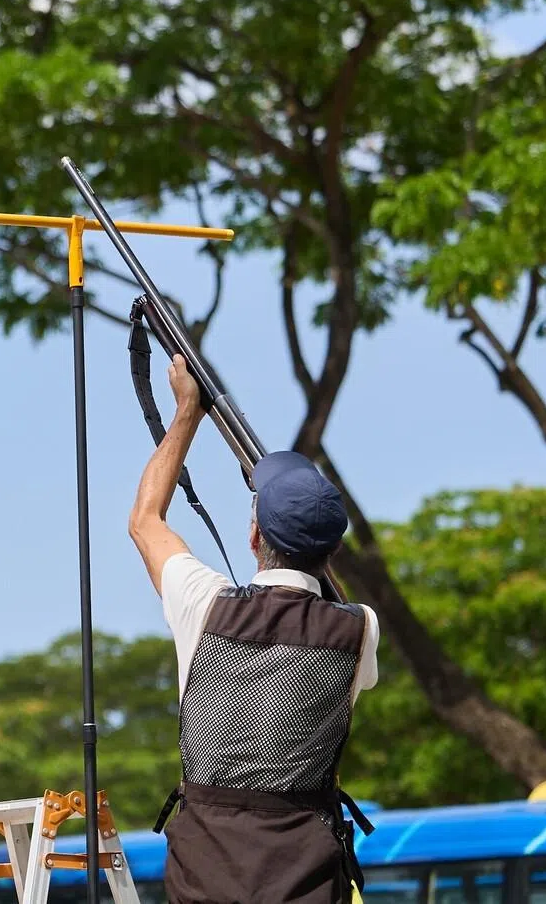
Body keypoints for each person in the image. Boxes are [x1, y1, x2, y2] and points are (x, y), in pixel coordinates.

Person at [127, 354, 380, 904]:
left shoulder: (205, 605)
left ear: (252, 539)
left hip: (203, 880)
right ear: (333, 550)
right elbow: (323, 603)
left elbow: (146, 521)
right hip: (305, 884)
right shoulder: (361, 629)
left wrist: (187, 414)